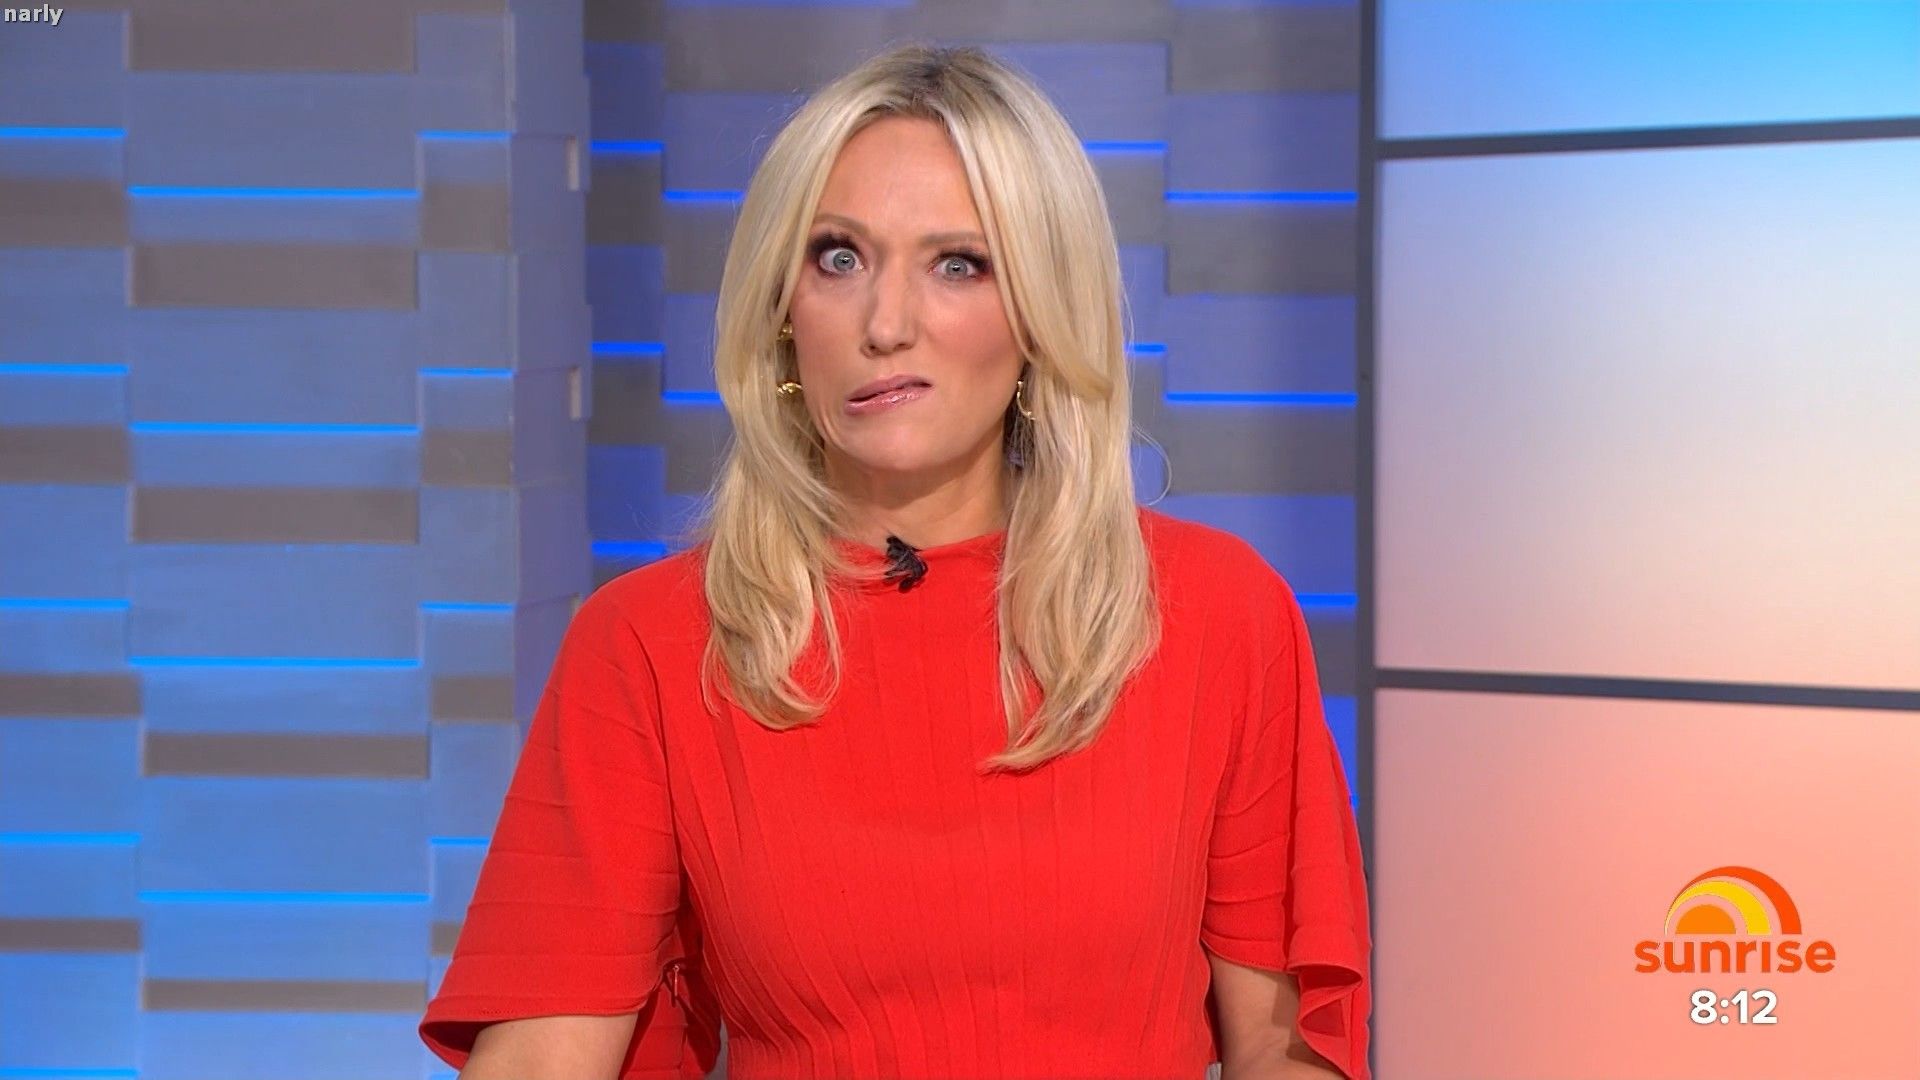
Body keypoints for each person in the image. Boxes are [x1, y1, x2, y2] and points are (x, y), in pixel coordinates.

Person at [418, 41, 1371, 1080]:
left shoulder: (1217, 614)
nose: (885, 325)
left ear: (1040, 316)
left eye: (958, 264)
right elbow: (542, 1056)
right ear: (783, 314)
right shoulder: (651, 643)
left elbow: (1283, 1050)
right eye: (839, 258)